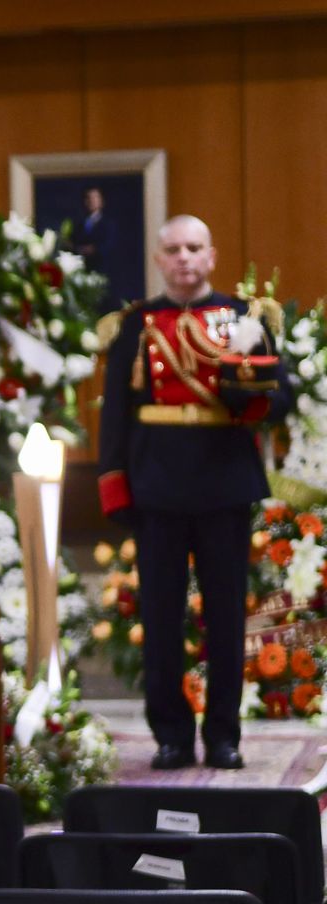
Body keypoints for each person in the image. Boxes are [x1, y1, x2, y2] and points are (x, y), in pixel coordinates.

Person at [96, 215, 292, 771]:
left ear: (211, 256)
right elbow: (115, 416)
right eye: (173, 249)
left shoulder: (246, 318)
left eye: (194, 248)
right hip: (156, 484)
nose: (184, 258)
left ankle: (224, 735)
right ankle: (172, 736)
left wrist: (246, 393)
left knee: (227, 619)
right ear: (159, 259)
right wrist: (114, 486)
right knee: (160, 619)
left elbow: (281, 399)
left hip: (223, 481)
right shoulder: (136, 325)